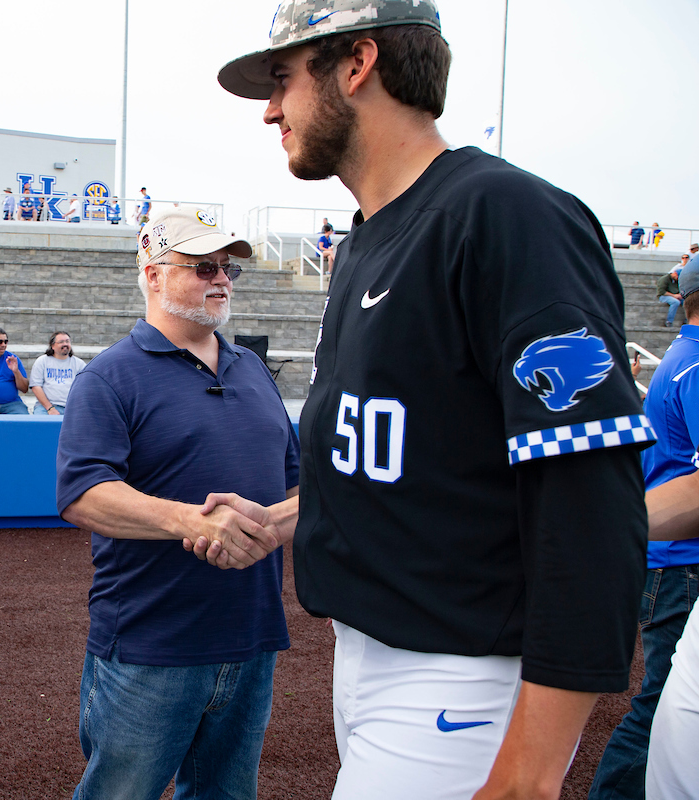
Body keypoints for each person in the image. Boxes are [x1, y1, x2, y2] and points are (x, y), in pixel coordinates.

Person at [211, 2, 651, 798]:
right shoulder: (366, 236)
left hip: (460, 672)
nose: (271, 109)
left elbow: (590, 501)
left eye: (283, 78)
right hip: (369, 653)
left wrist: (531, 770)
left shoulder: (505, 214)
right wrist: (283, 517)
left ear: (357, 64)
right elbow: (425, 459)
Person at [57, 205, 296, 800]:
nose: (222, 280)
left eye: (227, 269)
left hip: (251, 638)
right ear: (153, 273)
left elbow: (296, 487)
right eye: (203, 267)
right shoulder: (108, 377)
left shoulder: (253, 370)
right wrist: (193, 521)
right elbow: (84, 494)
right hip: (151, 645)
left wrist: (266, 526)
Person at [589, 263, 699, 800]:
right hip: (683, 559)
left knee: (664, 705)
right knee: (662, 708)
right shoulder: (696, 364)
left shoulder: (683, 356)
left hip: (670, 554)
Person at [29, 331, 87, 415]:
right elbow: (36, 387)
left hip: (72, 407)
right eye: (61, 342)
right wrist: (50, 408)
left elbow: (85, 387)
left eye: (67, 341)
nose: (65, 344)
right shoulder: (42, 361)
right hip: (45, 407)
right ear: (52, 346)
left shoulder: (79, 364)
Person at [0, 326, 30, 414]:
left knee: (23, 420)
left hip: (12, 404)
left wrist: (16, 372)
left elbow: (24, 389)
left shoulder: (12, 359)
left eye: (6, 342)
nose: (3, 345)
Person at [657, 259, 685, 327]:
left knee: (687, 302)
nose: (678, 278)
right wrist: (674, 295)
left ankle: (687, 321)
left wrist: (680, 295)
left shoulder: (677, 280)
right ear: (674, 273)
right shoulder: (664, 279)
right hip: (664, 296)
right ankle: (669, 321)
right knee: (675, 302)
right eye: (678, 277)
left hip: (674, 295)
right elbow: (661, 291)